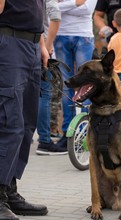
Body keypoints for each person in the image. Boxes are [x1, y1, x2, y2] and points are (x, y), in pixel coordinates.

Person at [0, 0, 49, 220]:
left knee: (28, 123)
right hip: (9, 45)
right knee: (10, 123)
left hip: (30, 46)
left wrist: (41, 44)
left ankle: (9, 190)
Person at [53, 0, 97, 152]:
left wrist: (63, 7)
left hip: (83, 36)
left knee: (87, 85)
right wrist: (76, 3)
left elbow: (87, 9)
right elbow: (52, 8)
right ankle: (67, 133)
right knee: (66, 86)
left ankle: (87, 132)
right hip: (61, 35)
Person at [36, 0, 67, 155]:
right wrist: (47, 47)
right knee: (44, 94)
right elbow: (55, 17)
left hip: (23, 46)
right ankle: (44, 140)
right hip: (41, 50)